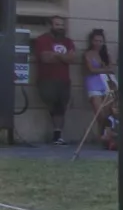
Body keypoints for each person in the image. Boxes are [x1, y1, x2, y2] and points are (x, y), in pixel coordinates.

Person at [32, 15, 75, 144]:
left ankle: (58, 135)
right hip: (47, 79)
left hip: (64, 80)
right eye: (57, 25)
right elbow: (45, 58)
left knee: (61, 107)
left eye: (62, 25)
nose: (60, 28)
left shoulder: (68, 41)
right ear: (50, 26)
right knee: (52, 105)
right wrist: (63, 56)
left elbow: (71, 59)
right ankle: (55, 134)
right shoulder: (42, 40)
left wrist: (55, 55)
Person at [83, 27, 115, 129]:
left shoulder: (106, 54)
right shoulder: (88, 54)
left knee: (109, 112)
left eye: (100, 41)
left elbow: (112, 68)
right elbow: (91, 69)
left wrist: (103, 69)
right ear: (92, 41)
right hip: (93, 84)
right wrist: (105, 69)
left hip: (106, 83)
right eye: (96, 41)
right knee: (99, 113)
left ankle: (108, 136)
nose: (98, 43)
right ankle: (101, 134)